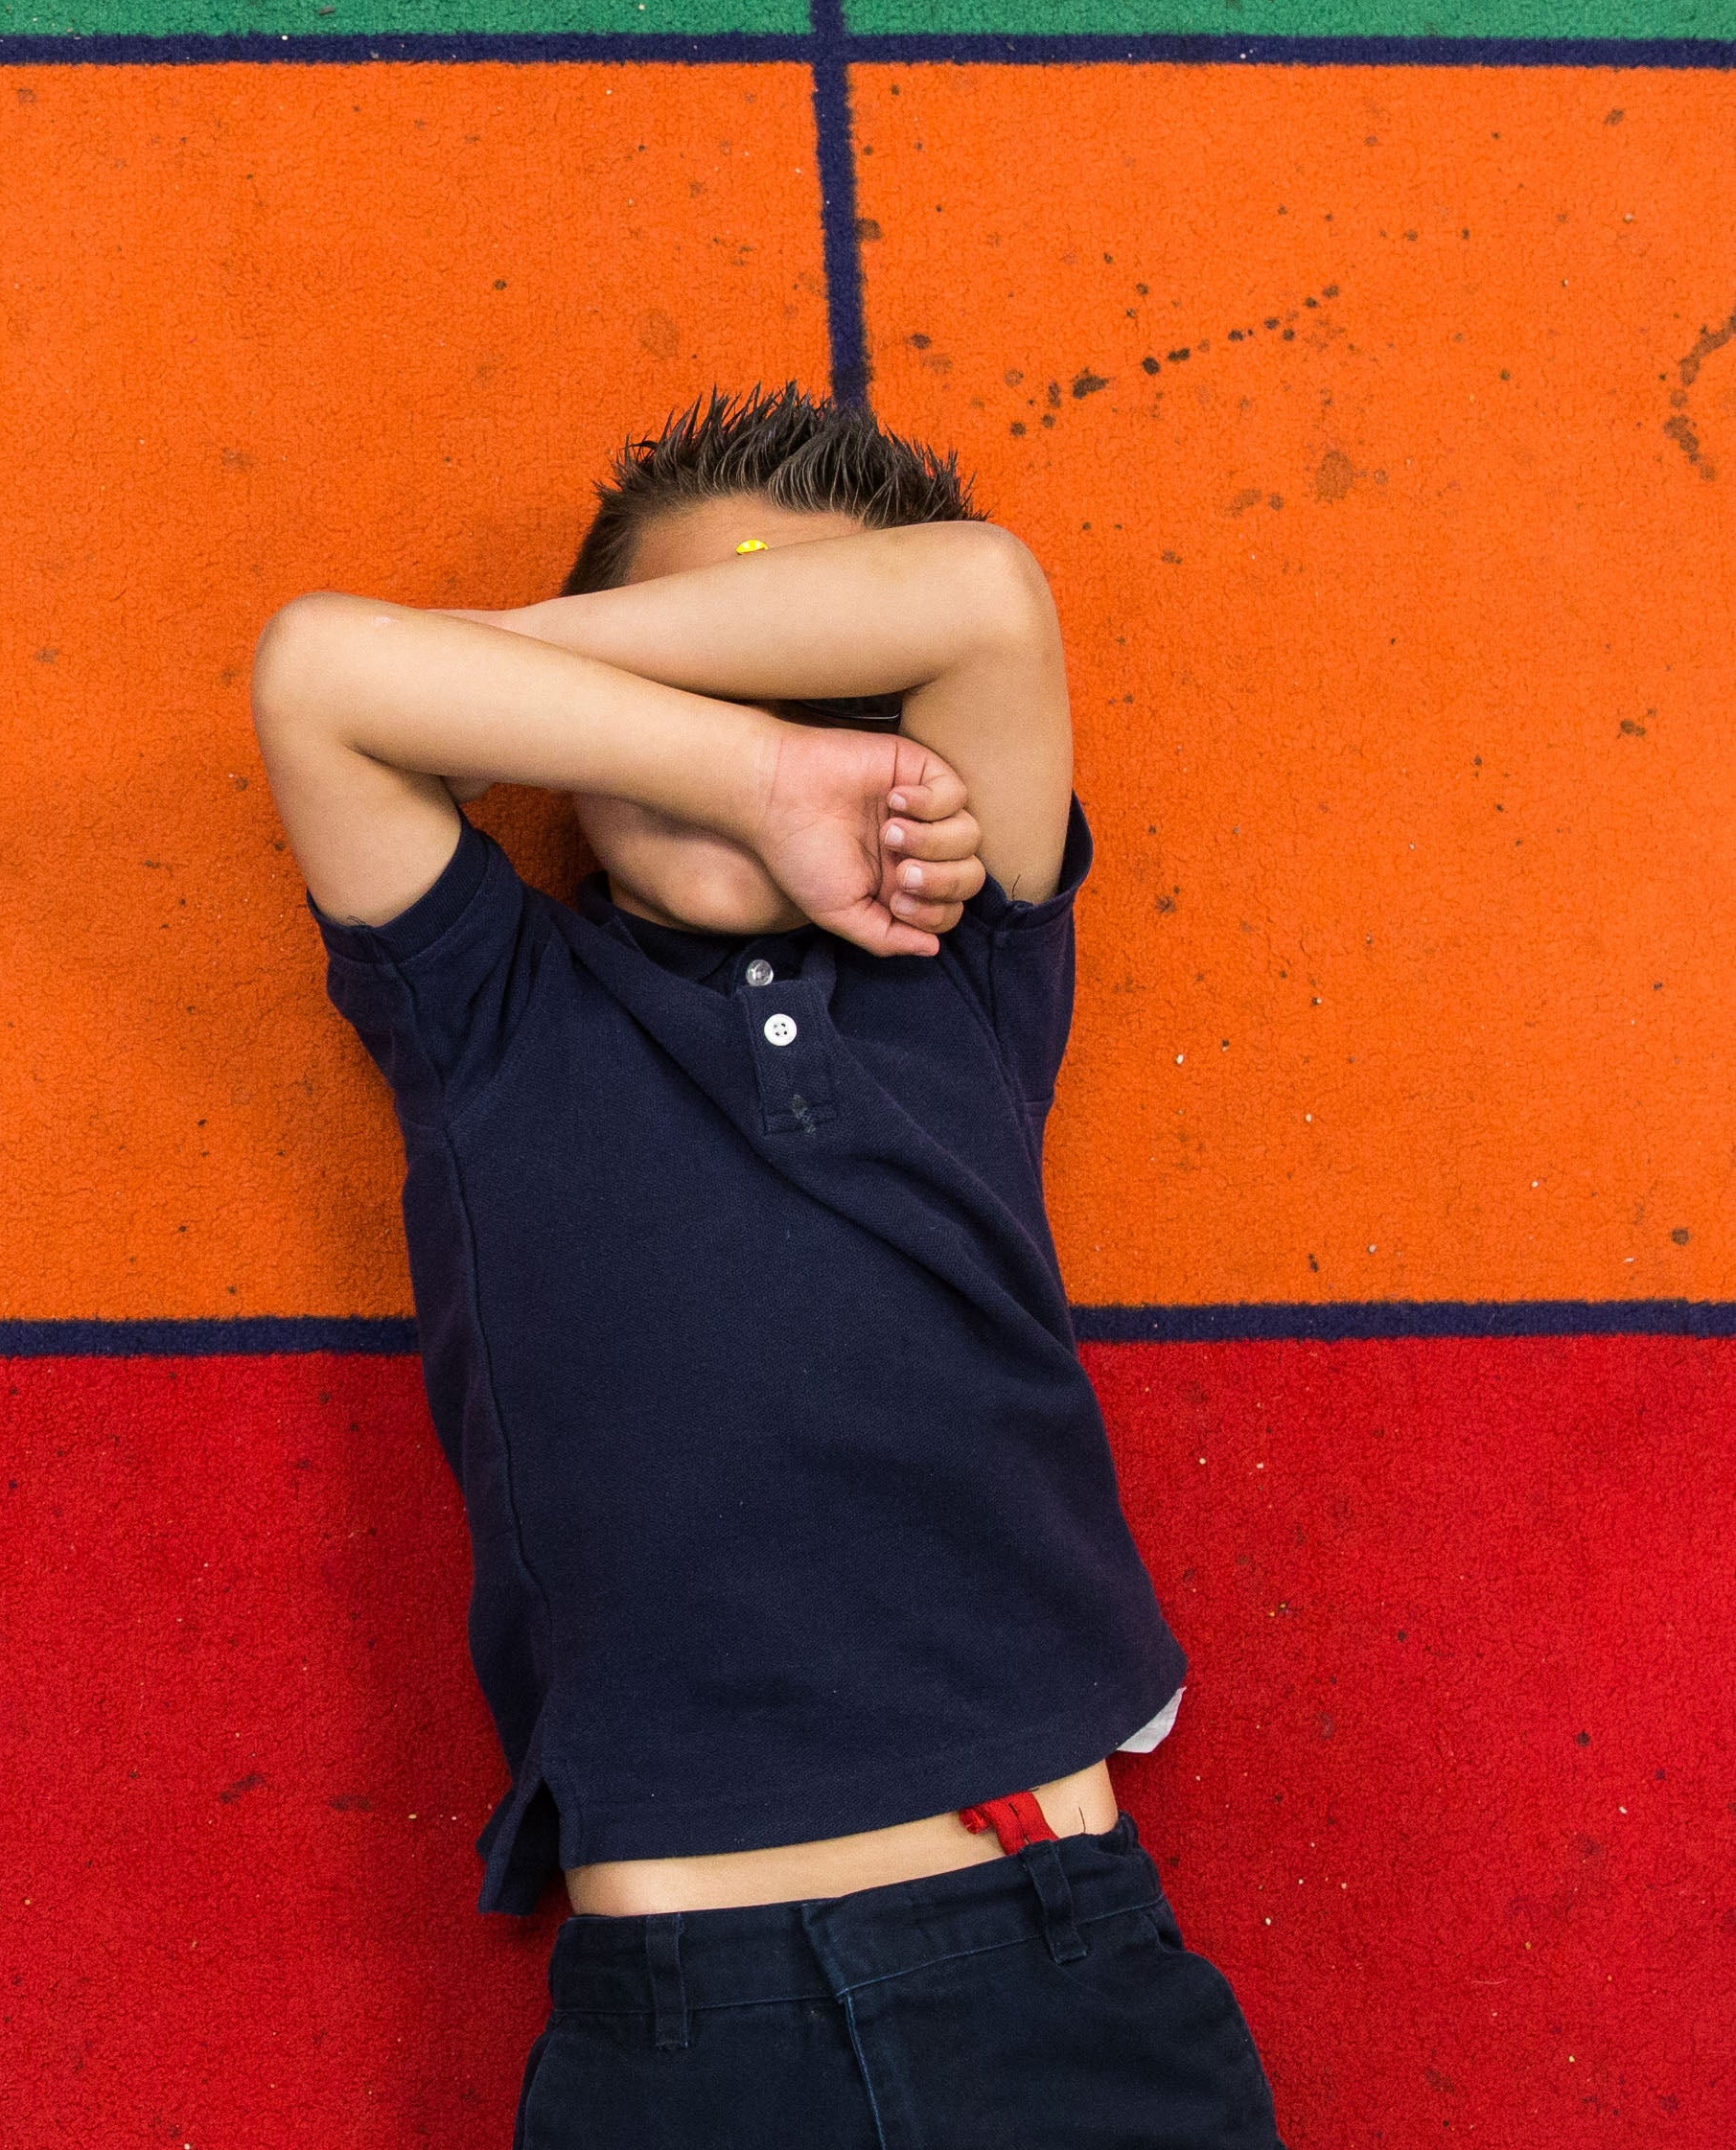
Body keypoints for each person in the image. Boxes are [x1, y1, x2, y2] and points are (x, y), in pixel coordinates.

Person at [247, 383, 1283, 2144]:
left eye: (823, 702)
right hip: (683, 2028)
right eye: (677, 708)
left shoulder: (951, 961)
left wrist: (621, 714)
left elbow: (983, 601)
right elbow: (314, 677)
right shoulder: (493, 1006)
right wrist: (751, 766)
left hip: (1060, 1962)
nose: (764, 744)